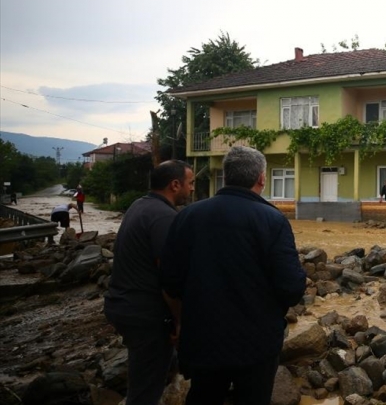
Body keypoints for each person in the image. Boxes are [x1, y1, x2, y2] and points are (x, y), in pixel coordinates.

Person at [161, 146, 306, 404]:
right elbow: (292, 288)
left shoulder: (187, 216)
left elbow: (170, 281)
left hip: (202, 340)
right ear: (261, 178)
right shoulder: (272, 220)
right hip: (256, 345)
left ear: (226, 176)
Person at [104, 160, 194, 405]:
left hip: (122, 305)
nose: (192, 188)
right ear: (175, 185)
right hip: (145, 315)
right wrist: (179, 321)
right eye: (190, 183)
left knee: (161, 368)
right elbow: (169, 278)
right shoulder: (164, 217)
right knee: (145, 392)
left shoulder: (140, 205)